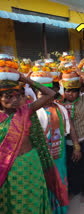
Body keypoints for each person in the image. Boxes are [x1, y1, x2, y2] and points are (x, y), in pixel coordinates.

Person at [0, 55, 62, 213]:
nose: (14, 100)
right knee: (13, 202)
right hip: (8, 168)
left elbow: (50, 94)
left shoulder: (25, 111)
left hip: (31, 162)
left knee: (35, 198)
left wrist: (26, 80)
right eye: (8, 97)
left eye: (16, 96)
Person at [32, 67, 81, 214]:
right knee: (44, 181)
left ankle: (60, 207)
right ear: (36, 94)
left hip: (59, 152)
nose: (44, 98)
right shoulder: (31, 111)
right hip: (40, 154)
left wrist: (77, 146)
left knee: (60, 177)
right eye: (41, 94)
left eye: (47, 95)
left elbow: (71, 127)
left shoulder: (60, 107)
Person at [61, 64, 84, 203]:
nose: (70, 94)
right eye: (67, 91)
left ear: (78, 91)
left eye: (74, 91)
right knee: (72, 167)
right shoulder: (59, 102)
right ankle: (75, 189)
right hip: (69, 141)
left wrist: (80, 73)